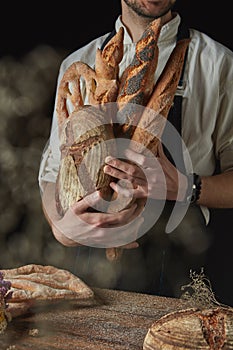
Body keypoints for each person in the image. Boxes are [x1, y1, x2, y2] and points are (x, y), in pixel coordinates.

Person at [39, 0, 233, 302]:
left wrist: (186, 187)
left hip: (182, 278)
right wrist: (62, 227)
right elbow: (52, 176)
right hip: (88, 277)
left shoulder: (219, 65)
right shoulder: (78, 64)